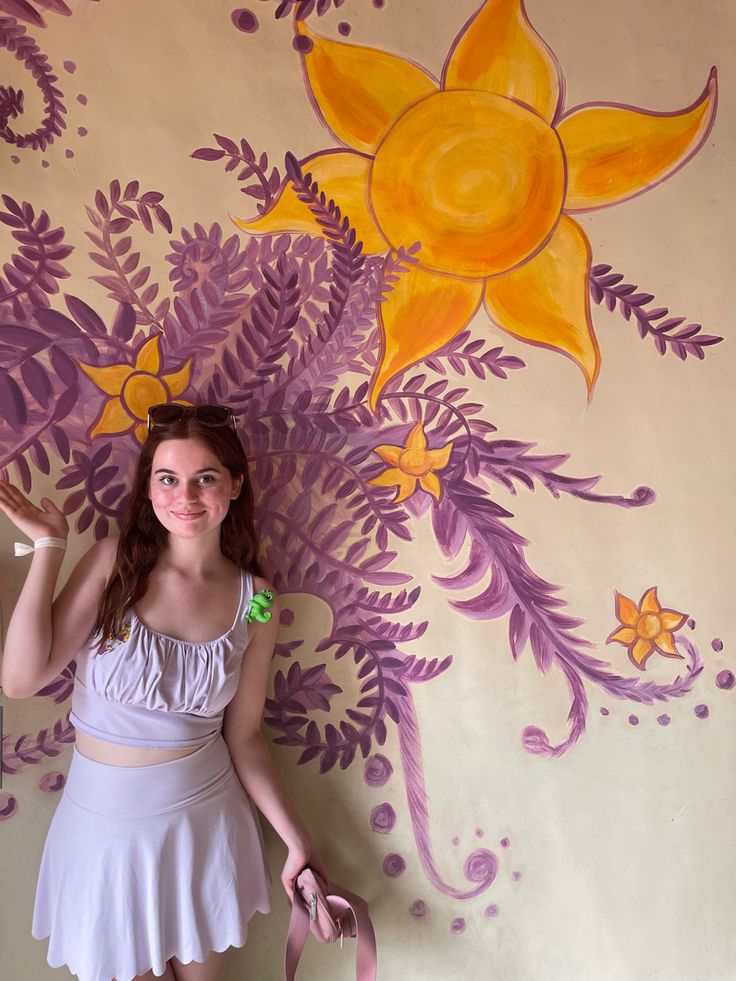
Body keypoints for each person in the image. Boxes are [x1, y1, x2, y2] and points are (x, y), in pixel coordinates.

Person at [0, 402, 327, 981]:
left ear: (235, 486)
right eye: (168, 479)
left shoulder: (258, 600)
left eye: (206, 478)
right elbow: (21, 679)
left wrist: (297, 841)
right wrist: (49, 549)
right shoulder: (112, 565)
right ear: (148, 489)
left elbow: (245, 736)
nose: (187, 496)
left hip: (201, 828)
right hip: (101, 834)